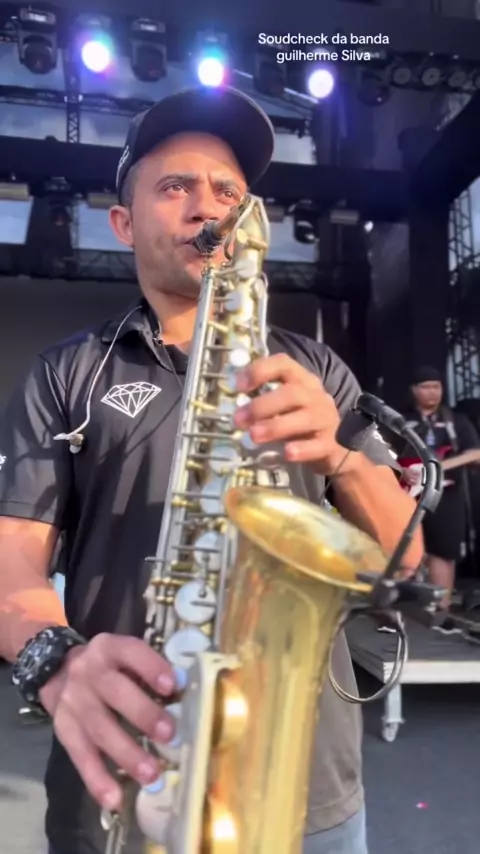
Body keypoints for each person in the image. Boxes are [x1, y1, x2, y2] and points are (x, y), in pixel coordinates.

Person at [0, 85, 422, 854]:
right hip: (131, 778)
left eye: (228, 191)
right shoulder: (67, 373)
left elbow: (406, 553)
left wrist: (338, 456)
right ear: (123, 222)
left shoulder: (316, 369)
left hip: (309, 789)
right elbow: (11, 564)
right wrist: (53, 660)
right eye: (176, 187)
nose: (208, 206)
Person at [399, 366, 480, 633]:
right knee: (400, 547)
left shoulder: (455, 421)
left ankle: (441, 612)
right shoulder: (401, 419)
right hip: (407, 493)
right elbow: (379, 450)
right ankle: (396, 611)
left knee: (443, 552)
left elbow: (475, 453)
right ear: (414, 390)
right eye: (425, 386)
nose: (432, 392)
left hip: (446, 494)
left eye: (436, 386)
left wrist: (439, 467)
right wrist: (400, 470)